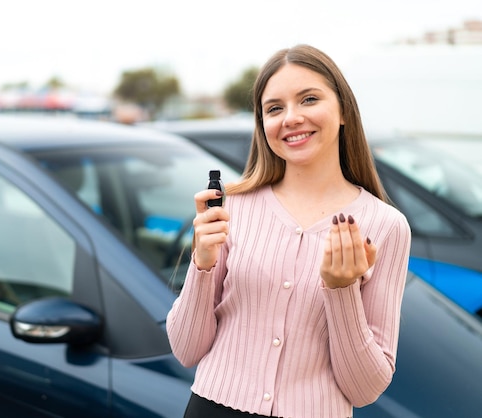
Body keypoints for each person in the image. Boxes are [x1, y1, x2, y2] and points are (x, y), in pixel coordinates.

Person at [166, 44, 411, 418]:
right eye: (275, 108)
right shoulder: (232, 205)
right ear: (263, 124)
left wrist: (342, 290)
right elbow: (186, 350)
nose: (291, 118)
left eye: (309, 99)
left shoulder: (386, 226)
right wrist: (202, 263)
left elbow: (364, 390)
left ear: (343, 110)